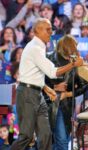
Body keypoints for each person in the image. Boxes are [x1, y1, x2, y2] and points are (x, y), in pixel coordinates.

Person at [10, 18, 83, 150]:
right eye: (47, 29)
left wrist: (46, 87)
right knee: (26, 136)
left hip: (37, 94)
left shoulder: (40, 47)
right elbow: (52, 72)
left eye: (51, 29)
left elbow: (32, 73)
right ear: (37, 31)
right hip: (28, 94)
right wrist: (73, 64)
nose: (51, 32)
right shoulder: (35, 48)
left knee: (45, 135)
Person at [45, 34, 88, 150]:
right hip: (47, 103)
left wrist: (68, 94)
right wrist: (53, 87)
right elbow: (37, 81)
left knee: (62, 140)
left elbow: (85, 86)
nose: (71, 55)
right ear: (62, 49)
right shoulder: (48, 58)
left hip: (65, 105)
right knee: (54, 141)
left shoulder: (76, 61)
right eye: (69, 53)